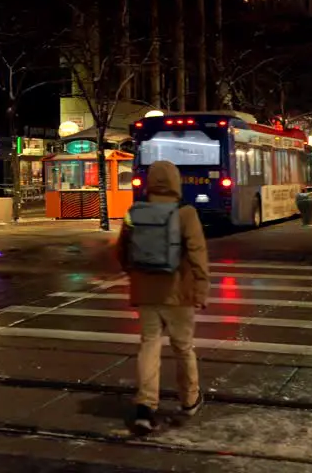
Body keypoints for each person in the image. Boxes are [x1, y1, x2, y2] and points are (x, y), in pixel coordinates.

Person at [115, 160, 210, 435]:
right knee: (183, 347)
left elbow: (122, 251)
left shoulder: (135, 211)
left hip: (145, 293)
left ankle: (145, 407)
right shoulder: (186, 213)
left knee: (149, 346)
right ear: (176, 181)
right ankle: (190, 400)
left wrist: (135, 275)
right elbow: (197, 254)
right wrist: (201, 288)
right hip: (178, 292)